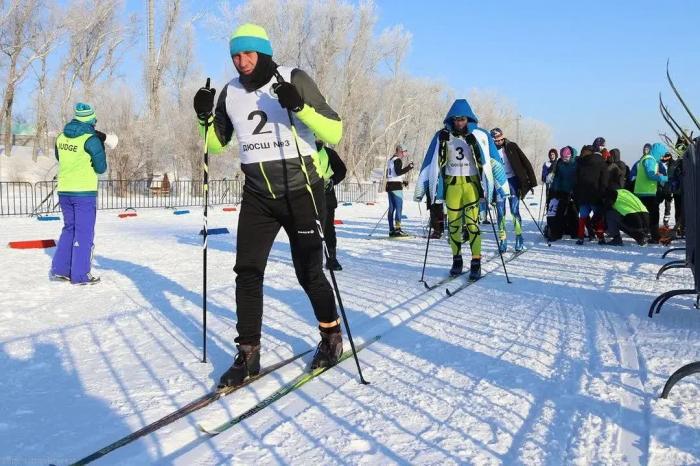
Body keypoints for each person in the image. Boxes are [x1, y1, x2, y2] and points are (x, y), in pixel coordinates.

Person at [193, 23, 344, 387]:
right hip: (258, 194)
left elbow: (334, 131)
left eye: (248, 54)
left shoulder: (293, 76)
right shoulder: (230, 92)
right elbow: (215, 145)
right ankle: (248, 354)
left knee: (308, 272)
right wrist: (203, 119)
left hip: (301, 191)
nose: (242, 61)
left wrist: (299, 106)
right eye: (236, 55)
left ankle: (331, 335)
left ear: (263, 52)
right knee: (247, 271)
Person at [414, 99, 508, 280]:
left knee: (473, 225)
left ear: (469, 119)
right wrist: (421, 188)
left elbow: (494, 160)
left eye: (463, 119)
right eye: (456, 119)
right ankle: (457, 259)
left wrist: (502, 186)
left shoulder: (481, 135)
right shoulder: (441, 135)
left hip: (472, 186)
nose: (459, 123)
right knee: (454, 226)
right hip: (452, 187)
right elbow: (429, 162)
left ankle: (476, 261)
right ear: (451, 119)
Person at [50, 103, 107, 285]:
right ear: (91, 119)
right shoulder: (91, 139)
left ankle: (61, 270)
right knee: (84, 233)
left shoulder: (61, 137)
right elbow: (101, 167)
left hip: (64, 190)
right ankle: (81, 275)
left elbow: (61, 158)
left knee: (69, 229)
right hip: (84, 192)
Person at [490, 128, 537, 252]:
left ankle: (518, 238)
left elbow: (525, 162)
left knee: (514, 211)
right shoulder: (490, 150)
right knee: (500, 213)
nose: (499, 142)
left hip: (513, 182)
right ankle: (503, 240)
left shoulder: (511, 146)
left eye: (500, 139)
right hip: (499, 183)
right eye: (496, 140)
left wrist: (531, 182)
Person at [316, 141, 347, 270]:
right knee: (308, 230)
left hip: (326, 196)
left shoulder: (328, 153)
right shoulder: (301, 151)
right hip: (305, 196)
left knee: (328, 228)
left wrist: (332, 181)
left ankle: (331, 258)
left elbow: (341, 169)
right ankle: (311, 260)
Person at [633, 142, 668, 244]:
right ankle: (654, 237)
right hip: (646, 192)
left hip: (644, 191)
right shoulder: (650, 159)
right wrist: (665, 178)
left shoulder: (649, 159)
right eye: (661, 154)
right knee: (653, 215)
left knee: (645, 215)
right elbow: (650, 175)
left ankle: (645, 235)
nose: (662, 157)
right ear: (658, 152)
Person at [573, 145, 608, 245]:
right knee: (598, 218)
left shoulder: (580, 162)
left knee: (583, 217)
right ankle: (601, 238)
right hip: (595, 194)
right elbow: (604, 179)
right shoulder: (601, 161)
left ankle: (580, 238)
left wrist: (576, 193)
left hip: (583, 195)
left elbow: (576, 180)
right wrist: (602, 192)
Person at [546, 146, 577, 241]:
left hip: (572, 192)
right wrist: (551, 175)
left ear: (570, 156)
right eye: (563, 158)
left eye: (566, 158)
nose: (564, 160)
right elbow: (556, 176)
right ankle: (556, 233)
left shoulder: (576, 164)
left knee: (573, 212)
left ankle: (574, 232)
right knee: (558, 213)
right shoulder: (559, 163)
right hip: (560, 191)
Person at [385, 144, 414, 237]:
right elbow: (398, 172)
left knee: (391, 208)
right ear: (400, 151)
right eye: (404, 152)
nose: (405, 154)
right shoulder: (397, 160)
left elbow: (390, 175)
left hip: (390, 186)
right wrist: (409, 167)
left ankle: (391, 230)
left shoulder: (391, 160)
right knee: (398, 208)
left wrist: (402, 181)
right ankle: (398, 229)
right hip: (396, 188)